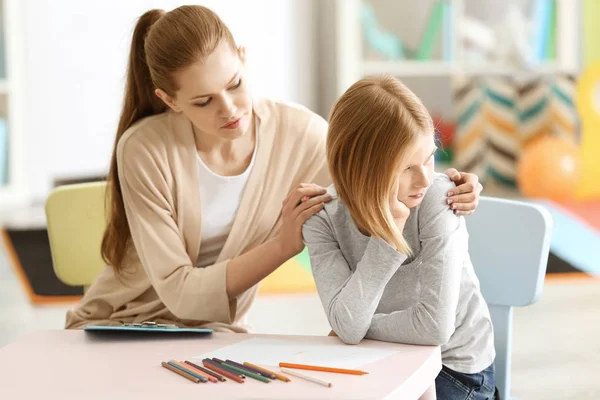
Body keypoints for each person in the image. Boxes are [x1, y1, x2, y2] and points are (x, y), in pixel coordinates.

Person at [65, 6, 483, 332]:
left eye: (234, 85)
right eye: (203, 101)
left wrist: (450, 186)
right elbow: (180, 294)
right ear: (169, 100)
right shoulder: (144, 149)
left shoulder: (300, 134)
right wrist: (283, 246)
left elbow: (375, 180)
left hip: (217, 333)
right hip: (117, 326)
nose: (230, 110)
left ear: (243, 60)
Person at [303, 75, 496, 400]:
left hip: (456, 370)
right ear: (360, 168)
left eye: (428, 157)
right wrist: (387, 240)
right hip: (379, 359)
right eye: (406, 167)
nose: (424, 178)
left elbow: (434, 327)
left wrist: (356, 326)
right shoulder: (321, 217)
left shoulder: (439, 200)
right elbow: (348, 327)